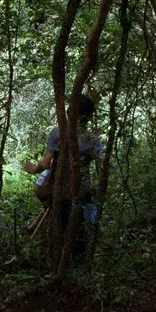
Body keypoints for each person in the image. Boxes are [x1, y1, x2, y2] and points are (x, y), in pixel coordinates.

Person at [23, 94, 104, 263]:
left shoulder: (57, 132)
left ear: (70, 113)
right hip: (81, 189)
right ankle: (81, 258)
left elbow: (45, 164)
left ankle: (54, 254)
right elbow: (101, 167)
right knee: (84, 223)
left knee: (55, 213)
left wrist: (33, 170)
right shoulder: (94, 140)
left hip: (57, 187)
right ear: (88, 117)